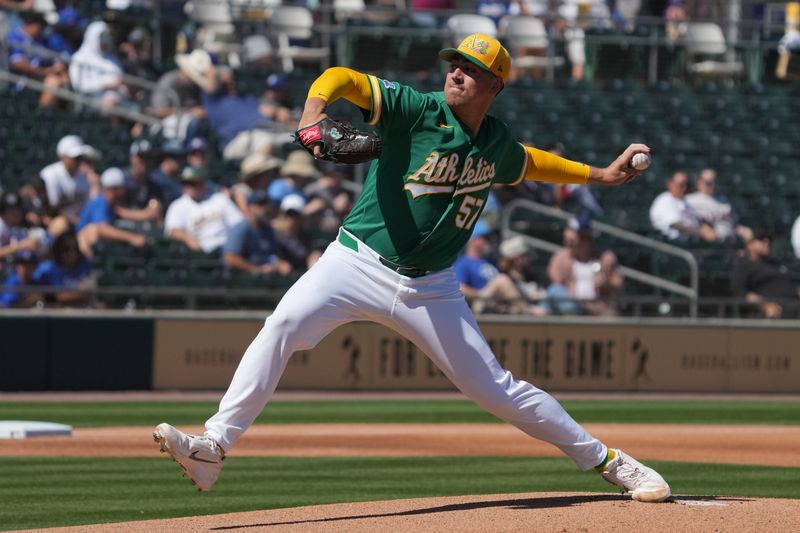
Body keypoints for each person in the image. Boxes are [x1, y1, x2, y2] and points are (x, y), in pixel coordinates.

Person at [153, 33, 670, 502]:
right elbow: (343, 79)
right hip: (355, 261)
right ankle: (213, 448)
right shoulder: (414, 109)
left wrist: (599, 175)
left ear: (495, 84)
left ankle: (609, 461)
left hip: (432, 289)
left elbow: (529, 161)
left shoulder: (494, 142)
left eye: (470, 68)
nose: (456, 72)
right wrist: (312, 116)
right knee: (282, 325)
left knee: (496, 390)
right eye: (454, 64)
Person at [454, 221, 540, 315]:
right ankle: (529, 310)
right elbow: (460, 288)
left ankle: (528, 310)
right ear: (474, 239)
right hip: (479, 303)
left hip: (499, 303)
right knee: (502, 280)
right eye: (486, 238)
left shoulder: (492, 261)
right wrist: (481, 295)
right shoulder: (463, 263)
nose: (490, 241)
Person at [545, 215, 623, 316]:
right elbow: (555, 285)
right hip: (572, 309)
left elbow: (619, 285)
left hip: (599, 308)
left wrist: (606, 283)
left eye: (572, 242)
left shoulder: (605, 258)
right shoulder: (560, 258)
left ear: (585, 239)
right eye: (566, 241)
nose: (568, 245)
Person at [164, 167, 244, 253]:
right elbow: (173, 230)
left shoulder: (219, 199)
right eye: (186, 183)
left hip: (225, 248)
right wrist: (187, 238)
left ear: (204, 183)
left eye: (194, 183)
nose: (190, 187)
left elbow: (238, 223)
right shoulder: (178, 205)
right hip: (199, 253)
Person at [76, 167, 147, 258]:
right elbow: (102, 228)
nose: (124, 192)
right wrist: (132, 238)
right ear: (112, 189)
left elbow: (127, 214)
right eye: (122, 189)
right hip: (80, 248)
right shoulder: (100, 202)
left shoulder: (112, 206)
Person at [6, 10, 70, 108]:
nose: (42, 29)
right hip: (21, 81)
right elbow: (17, 62)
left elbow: (57, 58)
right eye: (40, 25)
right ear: (31, 24)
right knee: (53, 81)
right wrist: (44, 72)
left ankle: (43, 116)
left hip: (38, 79)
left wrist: (58, 69)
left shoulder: (42, 40)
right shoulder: (15, 37)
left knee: (58, 80)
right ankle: (40, 115)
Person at [730, 229, 800, 319]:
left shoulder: (775, 263)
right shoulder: (744, 265)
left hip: (794, 308)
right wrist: (764, 305)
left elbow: (790, 287)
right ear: (749, 244)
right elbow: (742, 293)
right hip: (773, 314)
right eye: (761, 239)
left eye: (769, 240)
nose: (767, 242)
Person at [223, 191, 293, 276]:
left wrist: (279, 264)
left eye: (266, 204)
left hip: (267, 278)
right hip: (244, 281)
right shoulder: (241, 228)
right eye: (260, 204)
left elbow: (271, 255)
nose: (264, 208)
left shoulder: (268, 229)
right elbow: (230, 257)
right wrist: (256, 270)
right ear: (249, 207)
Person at [39, 135, 101, 224]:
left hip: (81, 221)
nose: (78, 160)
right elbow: (52, 209)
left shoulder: (85, 175)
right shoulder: (49, 174)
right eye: (74, 157)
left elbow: (92, 205)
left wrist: (95, 186)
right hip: (56, 222)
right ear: (62, 157)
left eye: (80, 157)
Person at [68, 21, 129, 109]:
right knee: (110, 102)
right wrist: (106, 84)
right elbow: (79, 85)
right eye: (101, 38)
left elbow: (120, 79)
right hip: (89, 102)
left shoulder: (111, 57)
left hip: (119, 99)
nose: (104, 42)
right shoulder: (79, 58)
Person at [684, 168, 751, 243]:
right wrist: (702, 228)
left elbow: (732, 223)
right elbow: (687, 223)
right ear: (699, 182)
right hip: (704, 244)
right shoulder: (689, 200)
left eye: (715, 182)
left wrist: (742, 230)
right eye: (708, 183)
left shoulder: (724, 200)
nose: (713, 185)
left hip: (729, 242)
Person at [649, 170, 716, 242]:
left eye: (686, 184)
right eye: (680, 185)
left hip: (690, 242)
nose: (684, 188)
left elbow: (697, 222)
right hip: (671, 243)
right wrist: (700, 233)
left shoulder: (684, 201)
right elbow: (676, 225)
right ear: (670, 184)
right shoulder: (665, 200)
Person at [33, 230, 94, 307]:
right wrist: (81, 294)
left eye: (75, 248)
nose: (71, 253)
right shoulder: (48, 268)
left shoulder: (84, 266)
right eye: (66, 249)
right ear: (58, 250)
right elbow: (58, 296)